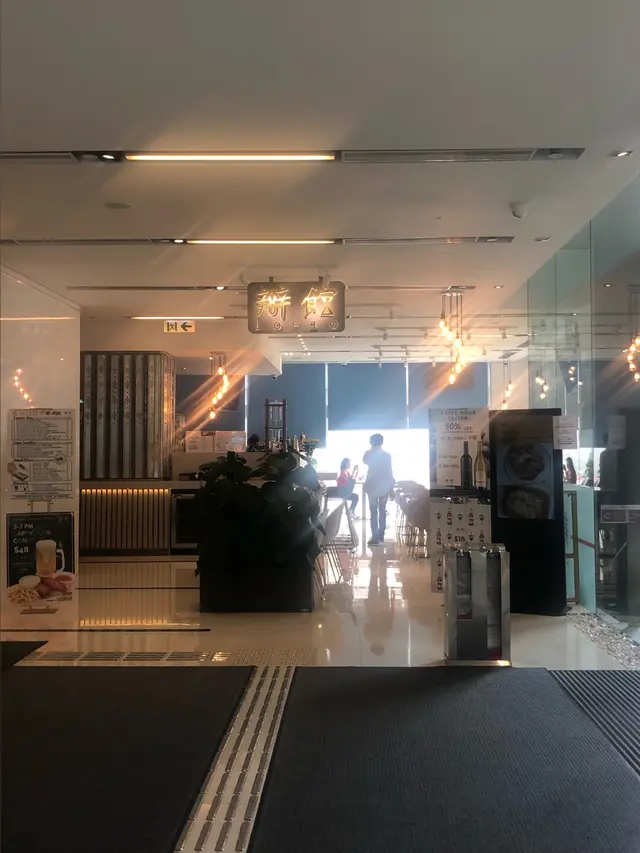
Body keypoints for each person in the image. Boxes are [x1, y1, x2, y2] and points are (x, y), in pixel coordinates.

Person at [363, 433, 395, 547]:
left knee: (373, 511)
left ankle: (375, 537)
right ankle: (381, 534)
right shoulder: (387, 455)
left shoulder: (368, 453)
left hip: (372, 485)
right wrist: (391, 487)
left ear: (372, 442)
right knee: (382, 511)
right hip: (384, 485)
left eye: (370, 440)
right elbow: (389, 471)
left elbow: (365, 461)